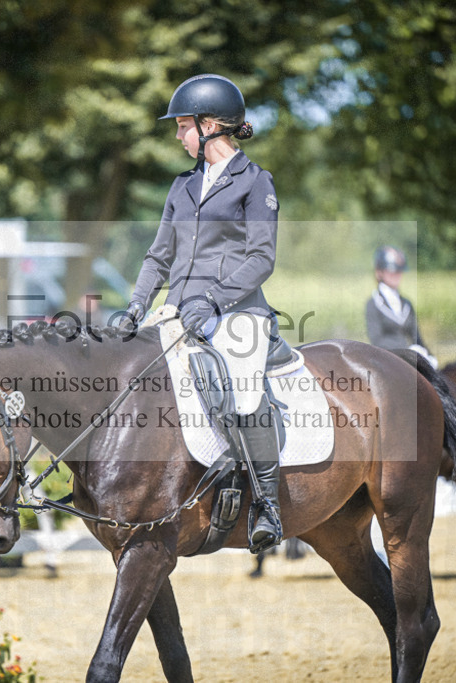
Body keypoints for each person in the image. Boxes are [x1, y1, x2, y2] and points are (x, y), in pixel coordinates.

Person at [124, 74, 283, 554]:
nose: (178, 135)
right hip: (178, 309)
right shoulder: (183, 185)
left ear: (210, 126)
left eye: (183, 126)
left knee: (245, 387)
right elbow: (158, 257)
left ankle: (267, 506)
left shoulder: (256, 184)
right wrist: (135, 306)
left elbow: (261, 257)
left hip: (236, 311)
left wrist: (213, 299)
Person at [365, 245, 438, 368]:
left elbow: (416, 337)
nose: (396, 274)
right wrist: (407, 351)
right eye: (391, 270)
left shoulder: (406, 304)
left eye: (399, 271)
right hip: (386, 362)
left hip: (410, 361)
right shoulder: (373, 304)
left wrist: (430, 356)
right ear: (380, 272)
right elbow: (377, 340)